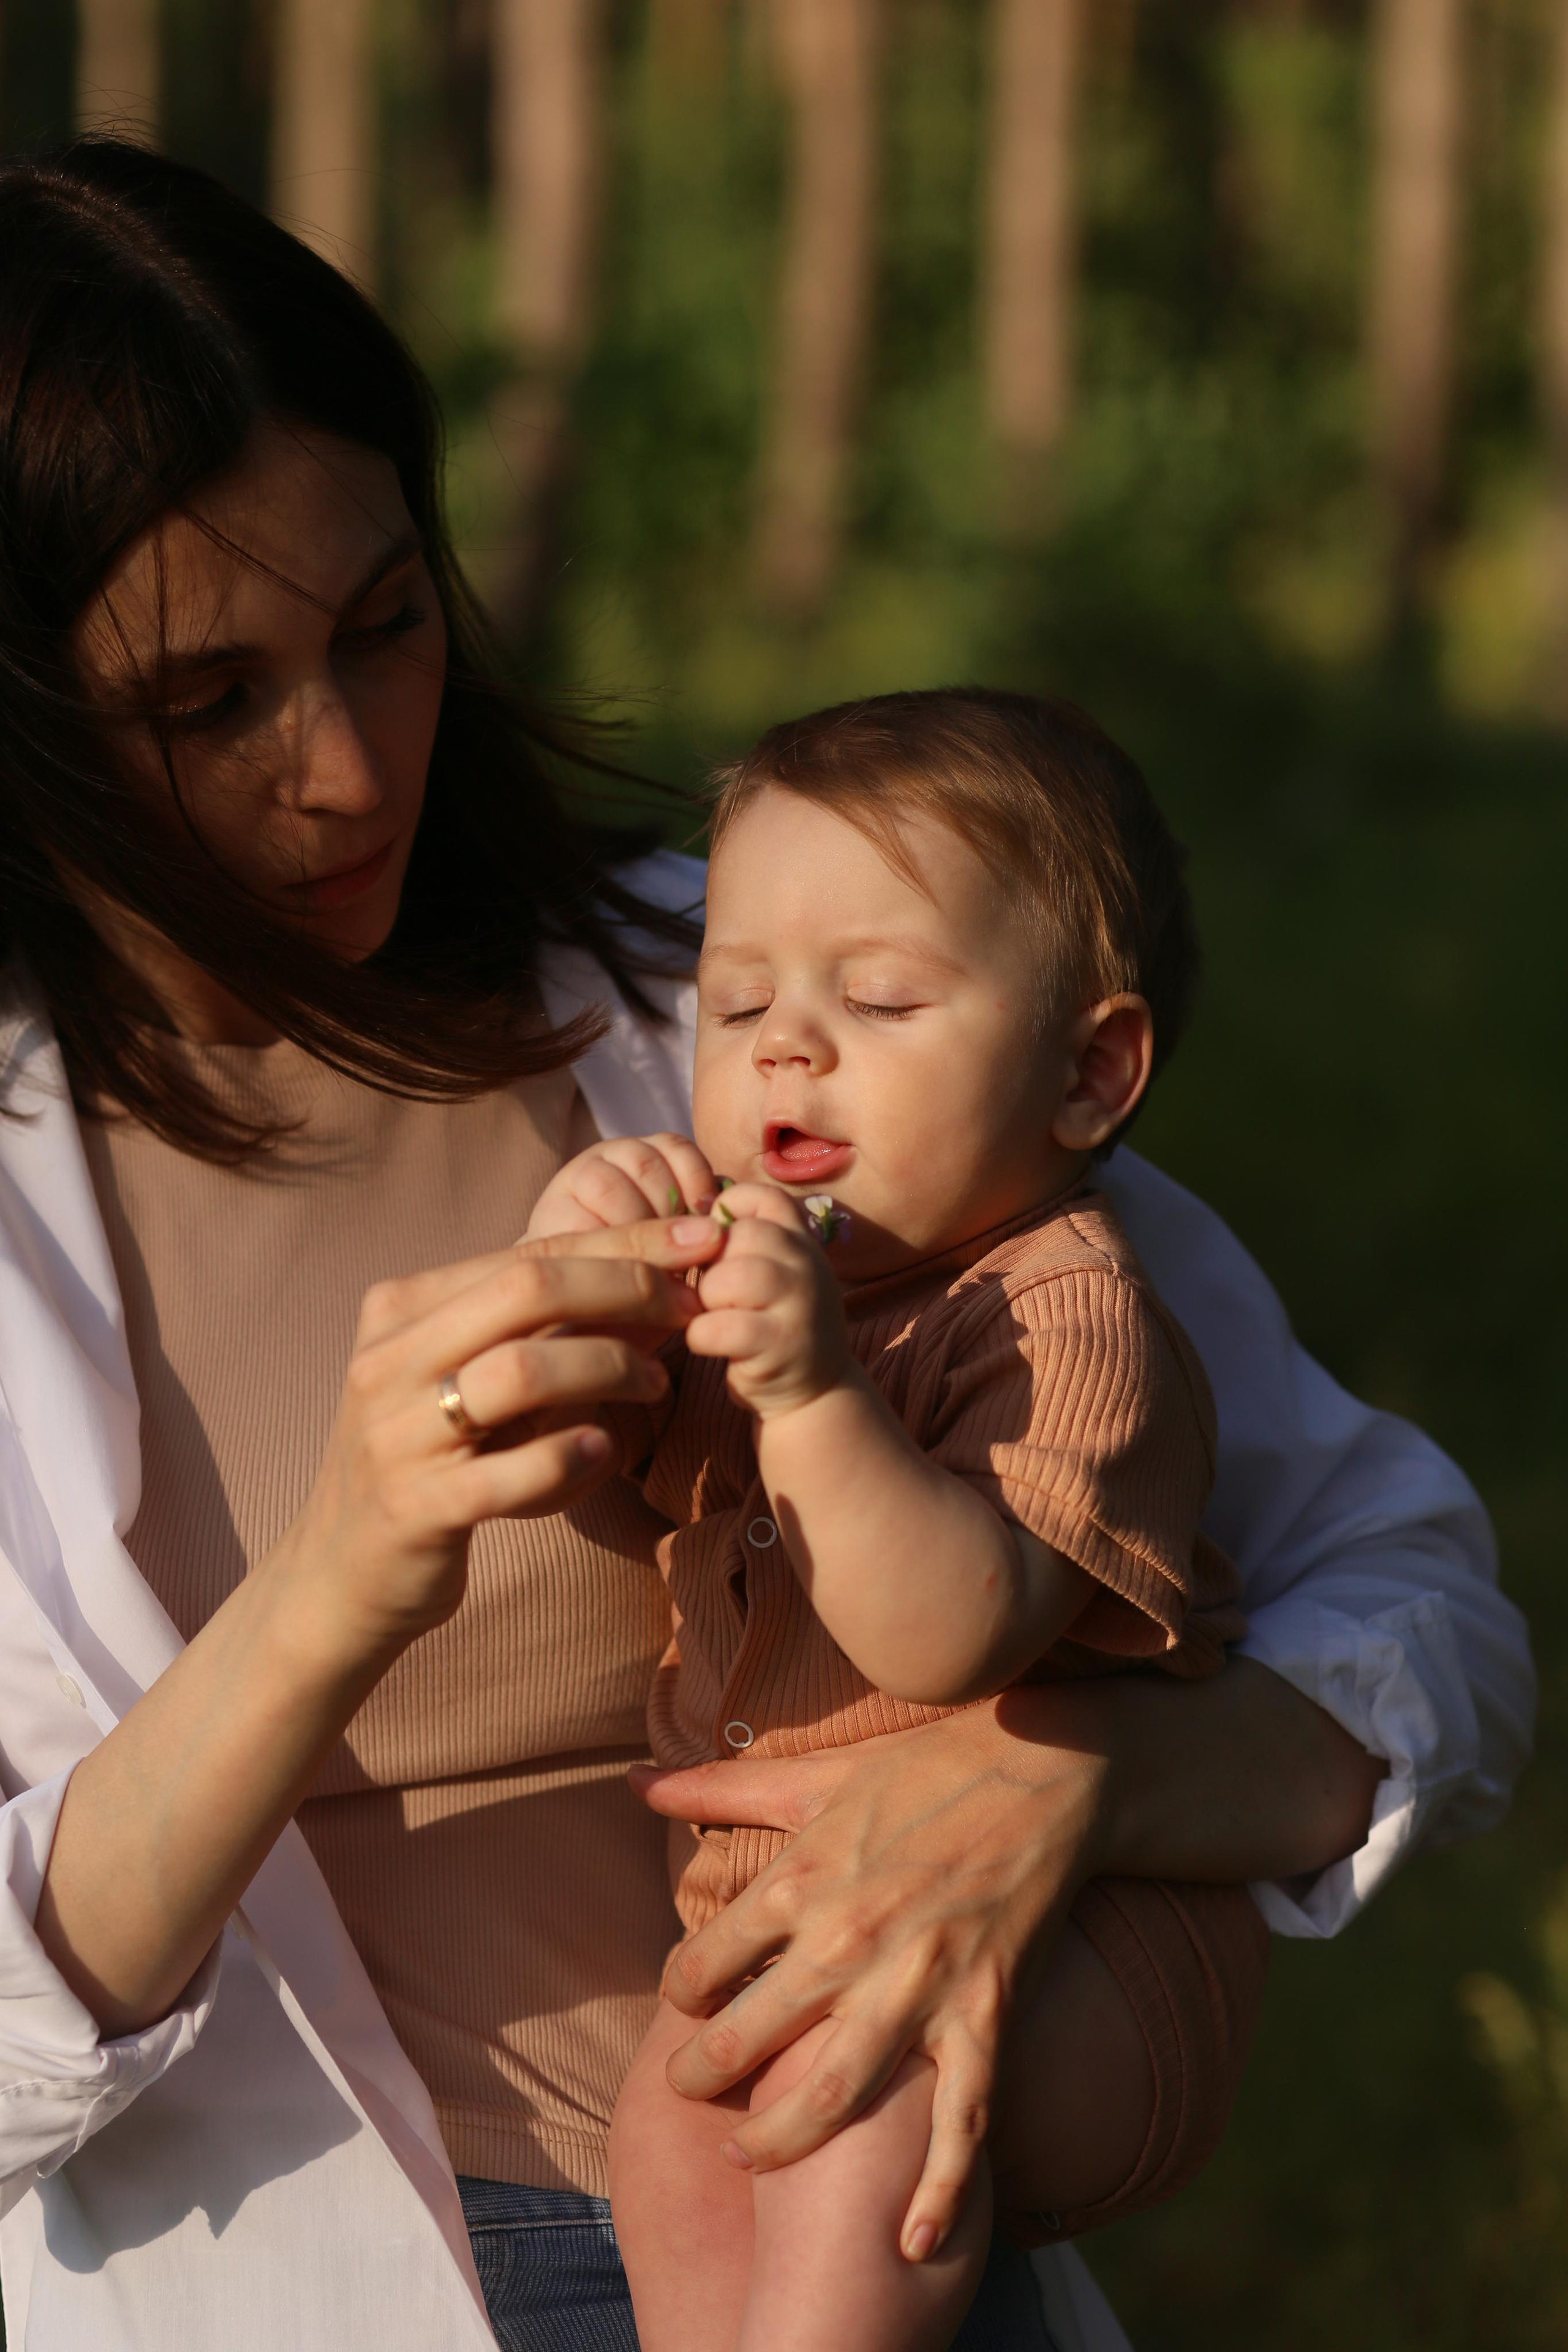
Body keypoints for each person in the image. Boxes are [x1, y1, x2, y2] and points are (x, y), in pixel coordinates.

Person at [0, 137, 1534, 2352]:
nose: (341, 769)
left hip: (871, 2242)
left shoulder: (749, 1006)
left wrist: (1064, 1781)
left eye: (385, 628)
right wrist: (336, 1579)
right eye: (204, 704)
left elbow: (1417, 1601)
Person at [528, 688, 1266, 2352]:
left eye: (877, 998)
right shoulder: (792, 1281)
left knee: (849, 2129)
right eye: (737, 1003)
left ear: (1090, 1073)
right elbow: (612, 1478)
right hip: (797, 1932)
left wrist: (809, 1397)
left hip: (1069, 1941)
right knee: (668, 2134)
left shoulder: (1064, 1315)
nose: (789, 1044)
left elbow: (951, 1625)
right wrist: (587, 1290)